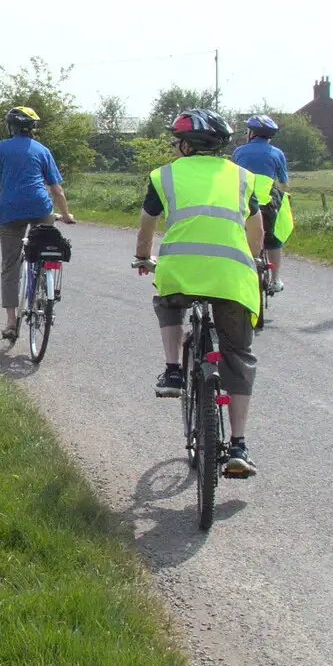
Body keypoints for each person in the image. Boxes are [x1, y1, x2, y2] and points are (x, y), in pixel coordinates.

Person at [133, 108, 265, 477]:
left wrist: (143, 257)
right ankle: (238, 444)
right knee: (238, 355)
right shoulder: (243, 177)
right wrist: (248, 263)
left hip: (181, 270)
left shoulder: (163, 176)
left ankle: (174, 370)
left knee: (167, 300)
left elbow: (148, 225)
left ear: (186, 146)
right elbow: (257, 233)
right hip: (232, 277)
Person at [0, 106, 75, 341]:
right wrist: (65, 215)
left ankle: (11, 322)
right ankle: (45, 285)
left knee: (10, 263)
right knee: (45, 248)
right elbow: (56, 189)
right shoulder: (43, 150)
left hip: (10, 210)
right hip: (40, 208)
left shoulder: (0, 148)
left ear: (11, 127)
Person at [231, 114, 292, 291]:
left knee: (238, 237)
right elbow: (284, 183)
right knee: (274, 239)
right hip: (267, 203)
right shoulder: (277, 153)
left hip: (243, 201)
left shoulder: (239, 152)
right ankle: (275, 280)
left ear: (251, 133)